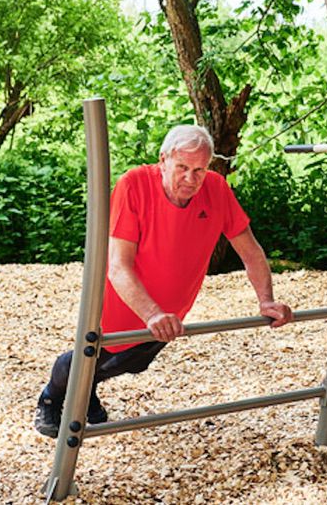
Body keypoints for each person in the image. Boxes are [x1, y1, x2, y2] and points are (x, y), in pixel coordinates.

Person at [34, 125, 293, 438]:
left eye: (200, 169)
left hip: (170, 309)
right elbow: (118, 265)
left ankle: (86, 390)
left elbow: (251, 252)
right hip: (127, 302)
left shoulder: (216, 189)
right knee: (98, 357)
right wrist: (151, 312)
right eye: (182, 167)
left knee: (132, 363)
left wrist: (266, 299)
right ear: (163, 160)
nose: (190, 178)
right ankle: (51, 396)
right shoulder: (134, 184)